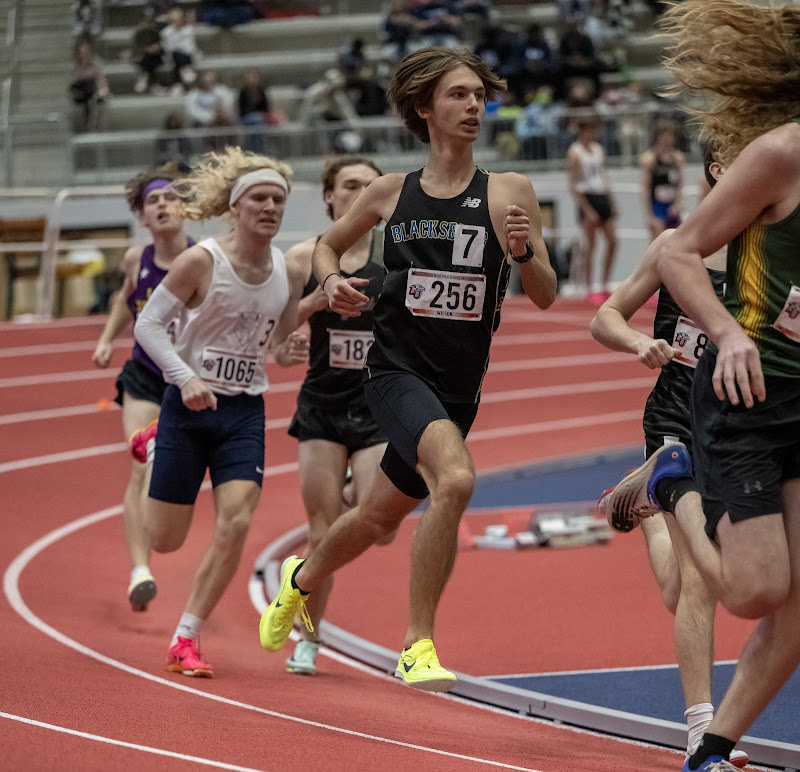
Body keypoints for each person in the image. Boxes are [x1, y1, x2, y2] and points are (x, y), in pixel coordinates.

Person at [259, 46, 557, 692]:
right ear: (425, 109)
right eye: (458, 95)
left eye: (479, 95)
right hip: (393, 373)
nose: (474, 105)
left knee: (376, 518)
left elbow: (546, 292)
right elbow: (326, 247)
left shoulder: (511, 192)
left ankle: (300, 579)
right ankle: (416, 644)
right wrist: (333, 281)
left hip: (458, 389)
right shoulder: (390, 193)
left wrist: (525, 252)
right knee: (455, 480)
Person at [600, 1, 800, 769]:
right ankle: (675, 481)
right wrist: (723, 334)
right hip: (749, 393)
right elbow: (681, 254)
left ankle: (711, 751)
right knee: (754, 592)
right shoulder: (781, 153)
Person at [591, 143, 747, 768]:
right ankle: (703, 735)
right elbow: (605, 315)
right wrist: (637, 343)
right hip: (676, 419)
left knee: (679, 588)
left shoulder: (773, 255)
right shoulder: (678, 247)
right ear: (719, 167)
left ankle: (652, 503)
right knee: (701, 586)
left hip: (740, 427)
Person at [134, 147, 308, 676]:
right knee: (165, 539)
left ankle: (186, 636)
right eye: (259, 197)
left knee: (235, 522)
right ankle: (156, 440)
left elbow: (275, 346)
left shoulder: (288, 271)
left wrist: (289, 349)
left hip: (242, 413)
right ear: (235, 206)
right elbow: (147, 327)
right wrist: (183, 377)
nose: (270, 207)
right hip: (186, 408)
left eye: (278, 199)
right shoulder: (200, 261)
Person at [282, 155, 388, 677]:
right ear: (329, 196)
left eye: (371, 186)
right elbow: (276, 333)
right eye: (350, 186)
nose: (360, 193)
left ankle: (353, 489)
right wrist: (317, 301)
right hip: (322, 407)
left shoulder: (397, 259)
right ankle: (308, 640)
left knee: (381, 525)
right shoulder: (303, 258)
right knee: (320, 533)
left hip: (376, 408)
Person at [91, 164, 191, 612]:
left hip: (188, 379)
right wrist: (107, 337)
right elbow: (123, 298)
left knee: (166, 471)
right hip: (145, 375)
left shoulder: (205, 257)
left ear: (186, 207)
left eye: (171, 197)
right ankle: (139, 570)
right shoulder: (137, 259)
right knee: (139, 459)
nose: (163, 205)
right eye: (153, 201)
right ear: (143, 217)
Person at [567, 115, 618, 303]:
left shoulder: (598, 150)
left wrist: (612, 201)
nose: (591, 134)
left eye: (593, 130)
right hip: (587, 196)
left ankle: (604, 284)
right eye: (588, 130)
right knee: (591, 244)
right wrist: (586, 208)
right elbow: (573, 184)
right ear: (581, 132)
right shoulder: (575, 152)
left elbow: (603, 176)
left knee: (613, 240)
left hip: (601, 195)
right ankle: (590, 287)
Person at [640, 118, 685, 242]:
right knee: (658, 243)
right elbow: (645, 188)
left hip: (671, 206)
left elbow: (680, 185)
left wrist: (677, 204)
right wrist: (648, 214)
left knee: (675, 242)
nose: (668, 140)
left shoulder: (677, 158)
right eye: (665, 136)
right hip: (657, 206)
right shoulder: (649, 159)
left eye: (671, 136)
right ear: (658, 137)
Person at [69, 40, 110, 132]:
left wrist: (103, 90)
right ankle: (89, 126)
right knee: (89, 97)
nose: (84, 54)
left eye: (86, 51)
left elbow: (101, 80)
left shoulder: (96, 64)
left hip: (93, 92)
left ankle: (92, 126)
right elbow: (72, 82)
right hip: (79, 91)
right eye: (81, 52)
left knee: (96, 98)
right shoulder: (74, 66)